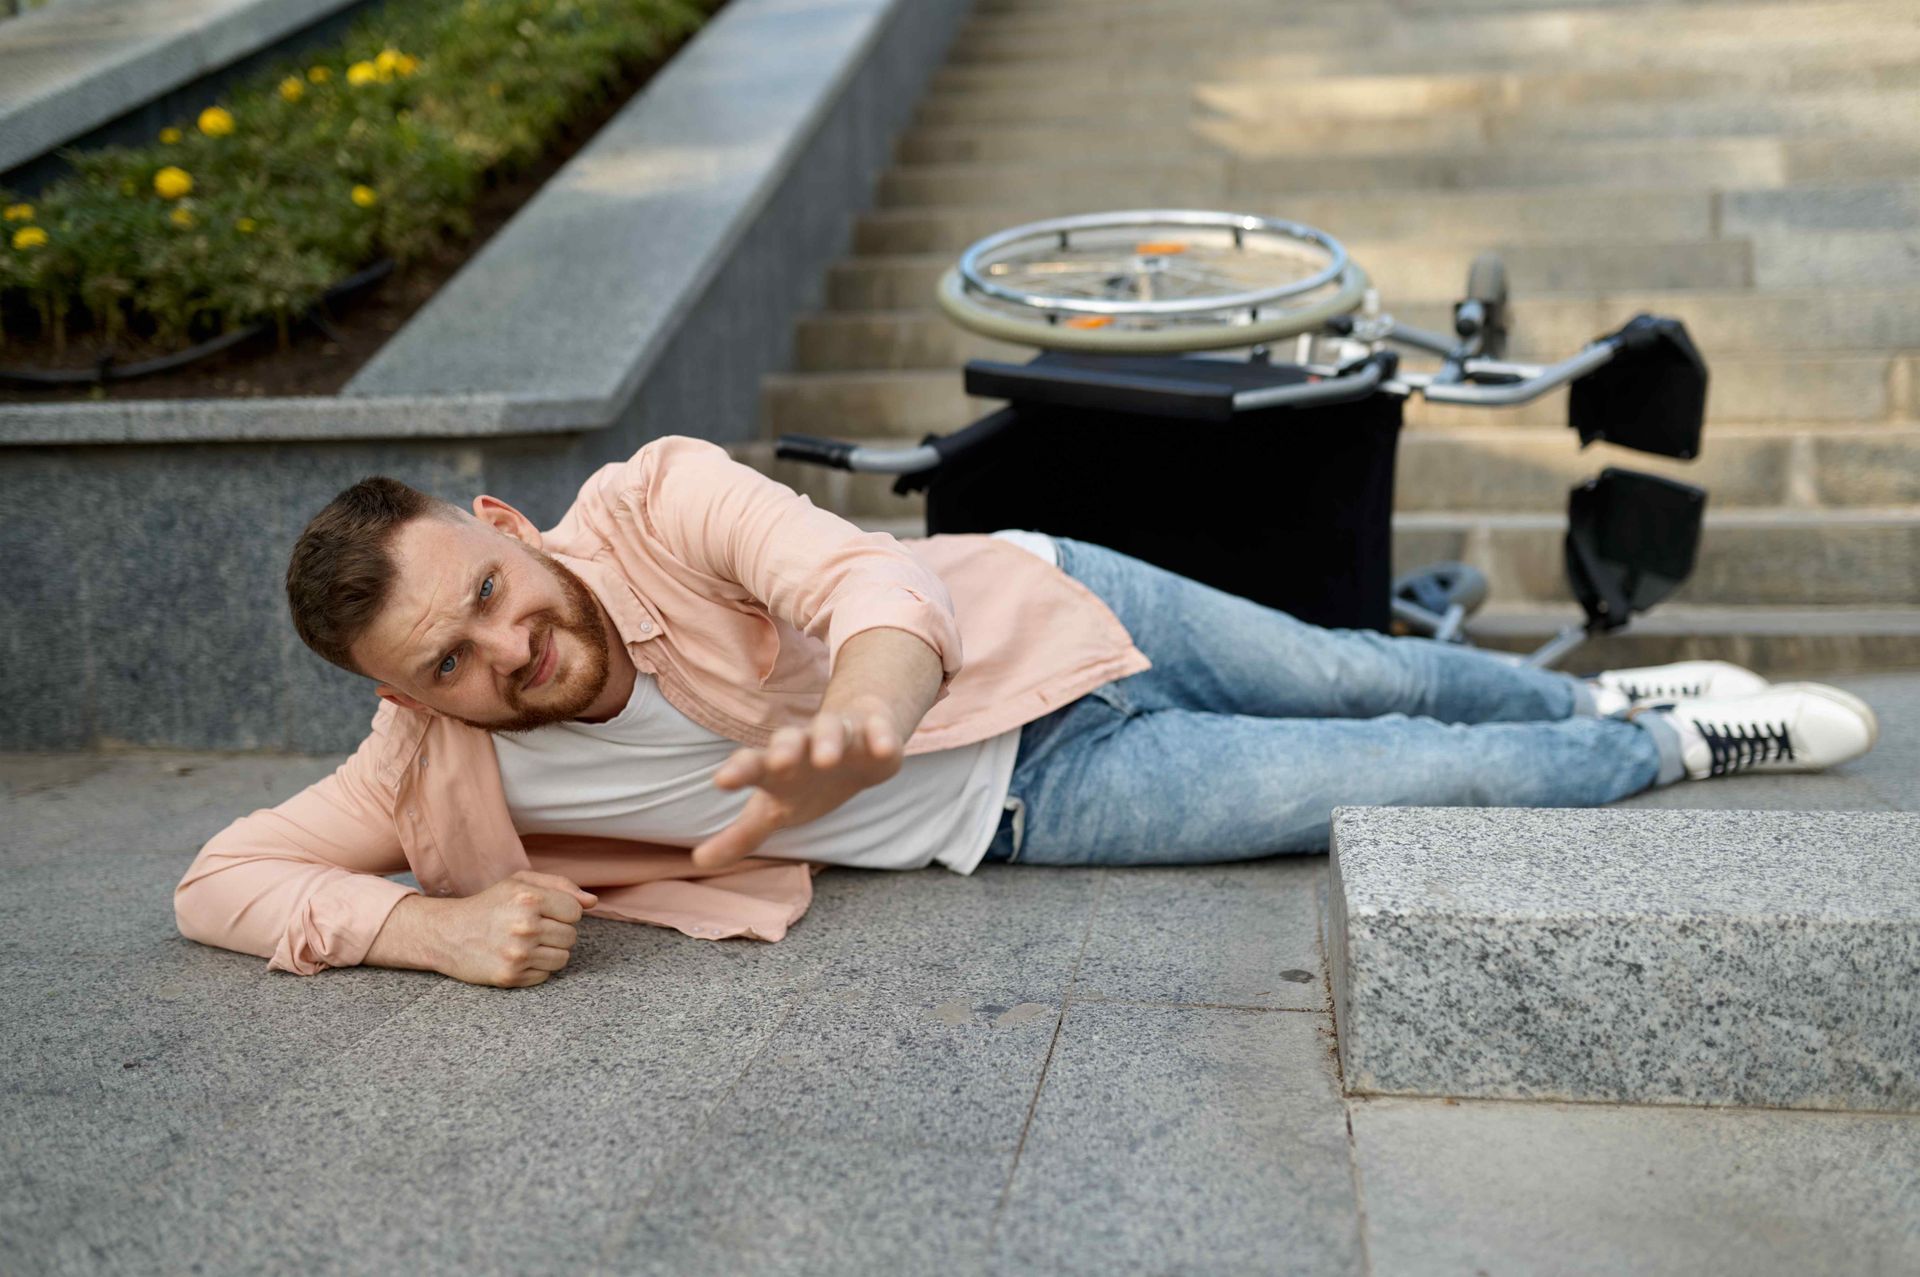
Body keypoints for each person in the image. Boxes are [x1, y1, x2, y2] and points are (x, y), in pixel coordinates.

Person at [174, 434, 1879, 988]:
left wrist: (864, 704)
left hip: (1050, 599)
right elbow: (217, 879)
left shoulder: (658, 497)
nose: (510, 657)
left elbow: (865, 583)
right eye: (447, 667)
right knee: (1402, 770)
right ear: (401, 695)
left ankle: (1601, 689)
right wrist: (438, 929)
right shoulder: (428, 758)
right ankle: (1664, 743)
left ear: (499, 532)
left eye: (489, 600)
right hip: (1033, 798)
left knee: (1376, 664)